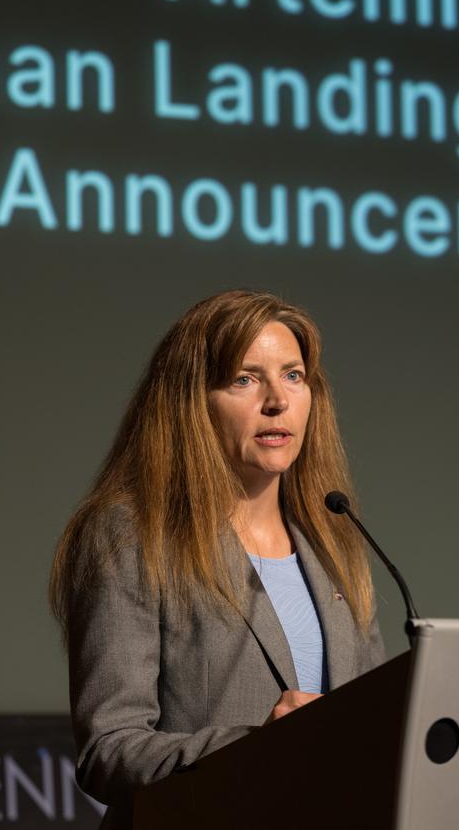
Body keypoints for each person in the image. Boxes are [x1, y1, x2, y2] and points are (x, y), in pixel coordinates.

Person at [49, 289, 385, 827]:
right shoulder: (131, 536)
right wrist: (256, 749)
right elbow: (109, 751)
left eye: (293, 375)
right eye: (244, 379)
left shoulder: (335, 540)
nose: (277, 400)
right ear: (192, 401)